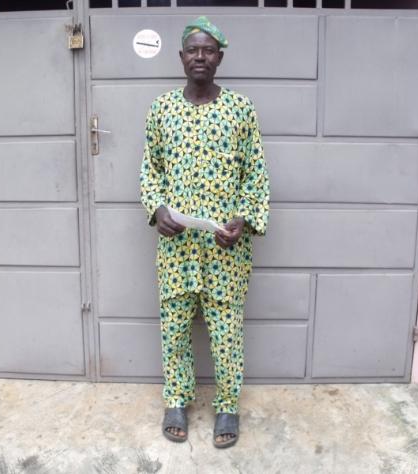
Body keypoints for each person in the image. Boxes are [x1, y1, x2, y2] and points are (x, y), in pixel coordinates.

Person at [139, 16, 270, 449]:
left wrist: (243, 220)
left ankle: (227, 406)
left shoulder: (240, 109)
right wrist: (158, 209)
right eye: (193, 50)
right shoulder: (161, 109)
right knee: (174, 327)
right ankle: (176, 401)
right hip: (176, 249)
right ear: (181, 57)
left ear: (219, 58)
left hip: (225, 249)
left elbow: (255, 174)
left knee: (226, 330)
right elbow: (150, 170)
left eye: (208, 50)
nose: (200, 57)